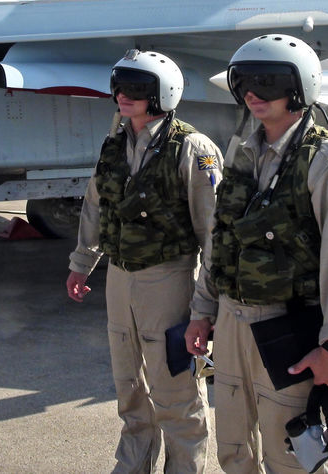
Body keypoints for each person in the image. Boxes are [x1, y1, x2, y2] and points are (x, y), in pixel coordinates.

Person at [185, 34, 328, 473]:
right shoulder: (243, 153)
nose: (253, 94)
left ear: (300, 87)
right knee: (234, 449)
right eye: (243, 83)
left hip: (291, 329)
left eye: (267, 82)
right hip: (232, 324)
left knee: (293, 454)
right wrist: (202, 310)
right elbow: (221, 239)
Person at [66, 49, 223, 474]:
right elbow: (95, 205)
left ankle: (184, 467)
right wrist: (83, 262)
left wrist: (206, 305)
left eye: (135, 88)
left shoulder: (193, 148)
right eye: (119, 85)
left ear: (162, 93)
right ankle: (131, 464)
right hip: (120, 276)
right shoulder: (115, 142)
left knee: (175, 388)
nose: (122, 95)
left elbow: (214, 232)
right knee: (128, 385)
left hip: (169, 278)